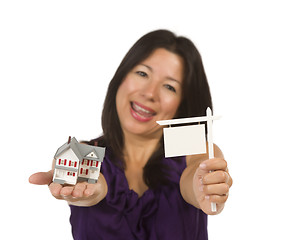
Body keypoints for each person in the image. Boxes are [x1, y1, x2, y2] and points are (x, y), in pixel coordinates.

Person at [29, 29, 233, 240]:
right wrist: (88, 192)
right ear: (121, 77)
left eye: (170, 87)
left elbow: (196, 175)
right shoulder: (85, 152)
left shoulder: (194, 147)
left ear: (182, 104)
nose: (149, 93)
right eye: (142, 74)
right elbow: (88, 189)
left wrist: (205, 186)